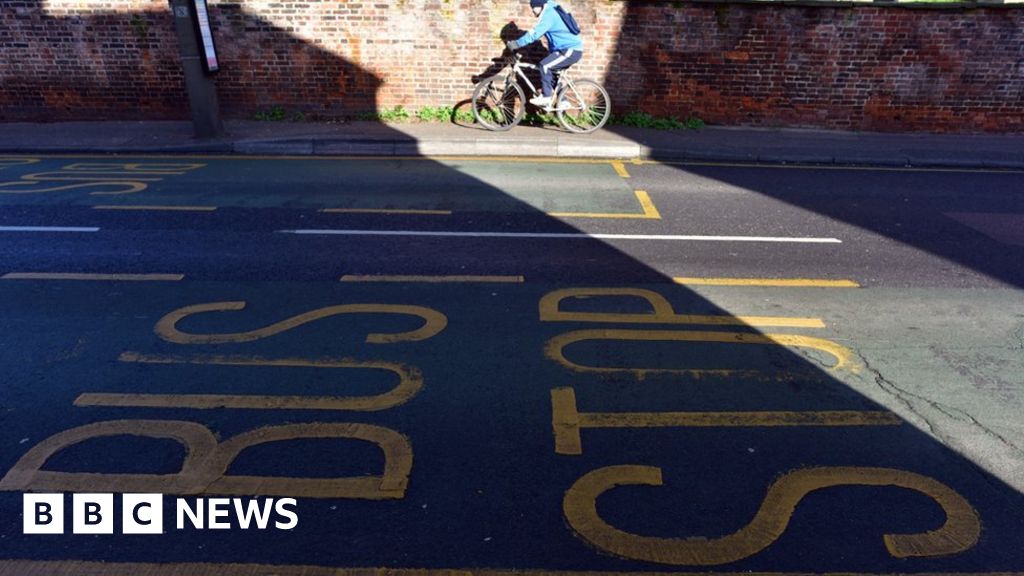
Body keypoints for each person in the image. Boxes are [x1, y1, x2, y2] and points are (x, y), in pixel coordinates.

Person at [505, 0, 583, 109]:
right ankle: (563, 101)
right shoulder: (550, 10)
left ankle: (546, 97)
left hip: (570, 50)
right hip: (565, 50)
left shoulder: (548, 15)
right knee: (552, 74)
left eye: (533, 7)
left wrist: (516, 44)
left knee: (545, 65)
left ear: (540, 5)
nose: (532, 10)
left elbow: (534, 34)